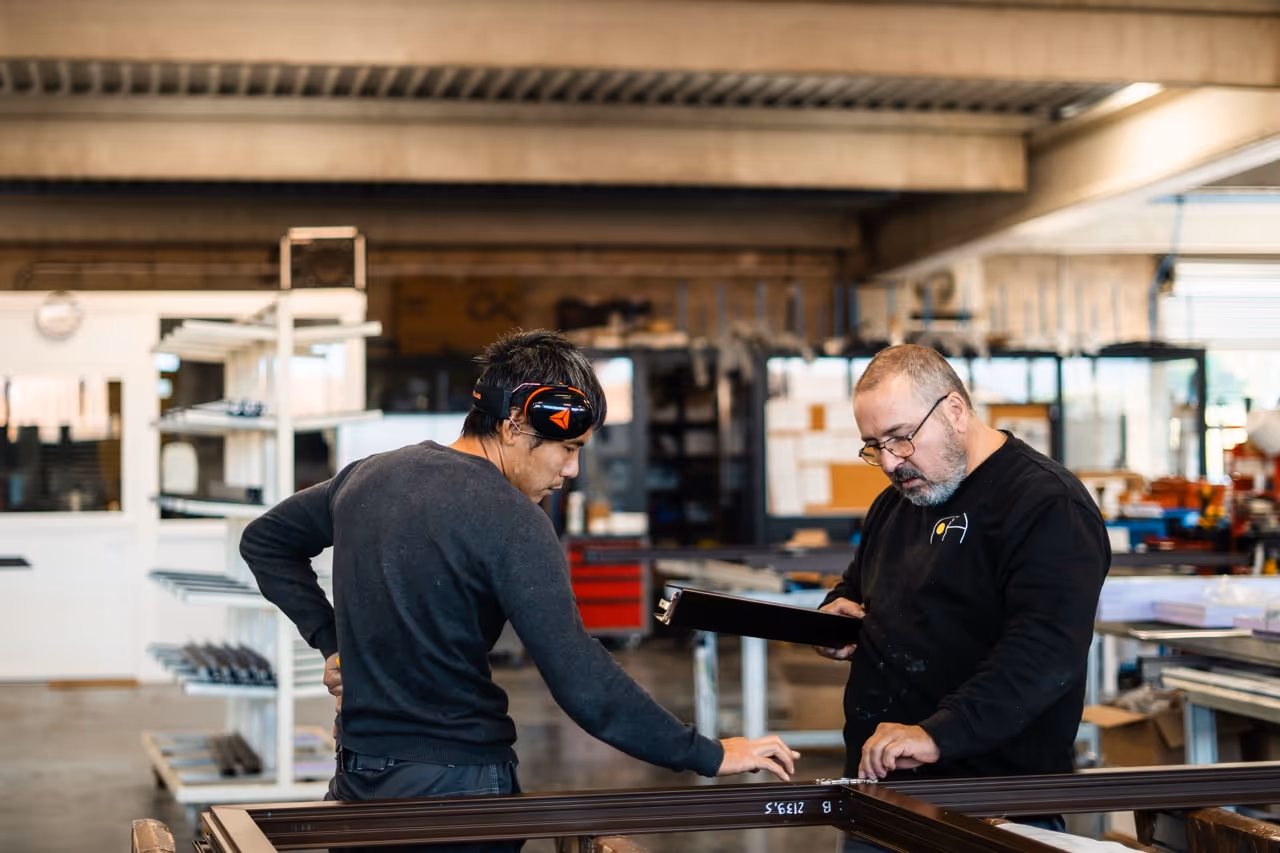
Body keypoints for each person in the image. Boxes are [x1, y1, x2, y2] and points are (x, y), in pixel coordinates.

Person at [240, 329, 798, 851]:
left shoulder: (368, 476)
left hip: (360, 777)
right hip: (458, 791)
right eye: (568, 449)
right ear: (514, 427)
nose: (572, 470)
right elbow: (582, 679)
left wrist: (332, 641)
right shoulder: (512, 519)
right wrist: (708, 752)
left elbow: (264, 541)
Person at [815, 344, 1109, 845]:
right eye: (873, 445)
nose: (889, 462)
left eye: (900, 438)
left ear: (954, 410)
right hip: (879, 790)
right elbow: (860, 584)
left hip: (990, 804)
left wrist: (937, 734)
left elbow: (1043, 656)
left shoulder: (1046, 505)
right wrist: (835, 613)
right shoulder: (902, 499)